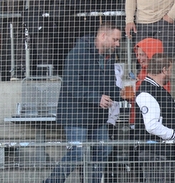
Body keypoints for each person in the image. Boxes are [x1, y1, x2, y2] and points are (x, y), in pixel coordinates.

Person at [42, 24, 122, 183]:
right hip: (76, 114)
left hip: (96, 115)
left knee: (104, 148)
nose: (118, 44)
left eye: (119, 40)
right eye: (115, 39)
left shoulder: (108, 57)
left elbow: (109, 85)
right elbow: (71, 84)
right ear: (103, 36)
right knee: (77, 152)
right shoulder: (78, 54)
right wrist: (97, 97)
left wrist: (122, 94)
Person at [135, 53, 175, 180]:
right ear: (164, 70)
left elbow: (163, 115)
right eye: (170, 70)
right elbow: (152, 126)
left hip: (162, 152)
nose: (171, 74)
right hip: (155, 153)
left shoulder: (157, 90)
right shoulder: (147, 92)